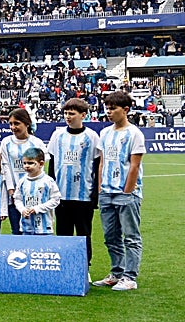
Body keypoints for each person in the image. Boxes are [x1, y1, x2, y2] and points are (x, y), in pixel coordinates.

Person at [92, 90, 145, 291]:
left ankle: (130, 277)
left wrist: (128, 191)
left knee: (131, 236)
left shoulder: (135, 134)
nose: (108, 112)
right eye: (107, 108)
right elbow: (102, 163)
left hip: (126, 193)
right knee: (110, 236)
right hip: (107, 192)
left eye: (113, 108)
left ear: (126, 110)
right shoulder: (104, 133)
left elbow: (134, 165)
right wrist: (100, 189)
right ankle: (117, 272)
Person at [47, 98, 102, 263]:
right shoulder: (58, 135)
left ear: (83, 115)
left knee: (84, 234)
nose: (68, 116)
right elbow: (52, 163)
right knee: (63, 235)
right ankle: (65, 266)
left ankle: (85, 268)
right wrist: (51, 190)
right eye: (65, 113)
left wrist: (96, 195)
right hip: (61, 195)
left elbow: (98, 165)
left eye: (72, 113)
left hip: (83, 195)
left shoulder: (92, 136)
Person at [1, 108, 47, 235]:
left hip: (33, 194)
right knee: (16, 230)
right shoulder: (6, 143)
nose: (13, 127)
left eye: (16, 123)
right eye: (10, 124)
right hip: (14, 194)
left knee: (36, 230)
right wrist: (11, 189)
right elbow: (6, 167)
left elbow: (42, 167)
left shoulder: (36, 142)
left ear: (26, 123)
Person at [14, 147, 61, 235]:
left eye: (31, 163)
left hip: (44, 229)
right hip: (26, 228)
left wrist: (38, 208)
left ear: (41, 164)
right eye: (24, 163)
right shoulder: (22, 181)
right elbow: (17, 199)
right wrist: (22, 210)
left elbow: (56, 199)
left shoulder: (48, 181)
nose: (27, 166)